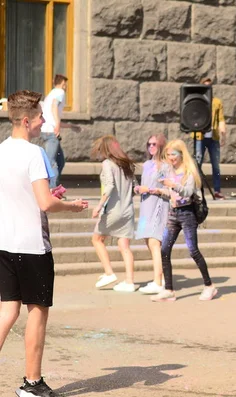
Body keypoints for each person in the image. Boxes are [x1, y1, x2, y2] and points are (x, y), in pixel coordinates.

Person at [0, 90, 87, 396]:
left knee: (7, 312)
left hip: (5, 244)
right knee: (37, 312)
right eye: (39, 118)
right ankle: (32, 384)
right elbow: (45, 204)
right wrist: (70, 205)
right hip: (32, 246)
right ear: (26, 120)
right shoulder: (33, 154)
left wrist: (49, 198)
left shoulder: (1, 151)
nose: (43, 123)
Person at [151, 139, 218, 302]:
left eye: (173, 154)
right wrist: (160, 191)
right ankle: (169, 290)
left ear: (181, 154)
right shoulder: (171, 172)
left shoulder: (189, 171)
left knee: (193, 250)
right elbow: (172, 193)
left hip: (188, 214)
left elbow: (187, 192)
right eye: (168, 155)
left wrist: (172, 185)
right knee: (164, 250)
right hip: (173, 214)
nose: (170, 158)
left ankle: (209, 286)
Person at [91, 136, 137, 292]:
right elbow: (134, 188)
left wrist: (99, 206)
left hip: (113, 210)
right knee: (124, 245)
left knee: (97, 239)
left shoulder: (107, 164)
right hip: (128, 210)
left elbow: (109, 186)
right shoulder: (126, 165)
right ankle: (130, 282)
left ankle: (109, 272)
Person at [135, 134, 171, 295]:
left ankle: (158, 281)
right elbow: (144, 185)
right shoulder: (147, 164)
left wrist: (151, 190)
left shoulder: (165, 166)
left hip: (158, 206)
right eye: (149, 144)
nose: (151, 147)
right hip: (145, 207)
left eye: (154, 144)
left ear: (161, 146)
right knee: (147, 240)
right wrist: (139, 189)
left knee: (155, 242)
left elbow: (170, 190)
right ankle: (160, 276)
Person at [40, 74, 80, 188]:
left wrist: (71, 126)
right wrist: (57, 125)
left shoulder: (51, 94)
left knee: (60, 161)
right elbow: (54, 107)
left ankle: (53, 187)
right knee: (52, 163)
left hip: (48, 132)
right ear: (63, 84)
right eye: (65, 84)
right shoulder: (59, 92)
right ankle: (52, 190)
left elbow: (51, 116)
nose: (66, 87)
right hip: (51, 133)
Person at [192, 77, 226, 200]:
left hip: (213, 137)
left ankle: (217, 191)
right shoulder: (197, 101)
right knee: (197, 163)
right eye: (205, 86)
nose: (208, 88)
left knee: (216, 165)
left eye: (210, 86)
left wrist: (223, 134)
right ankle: (196, 189)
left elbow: (221, 118)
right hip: (200, 136)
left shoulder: (216, 102)